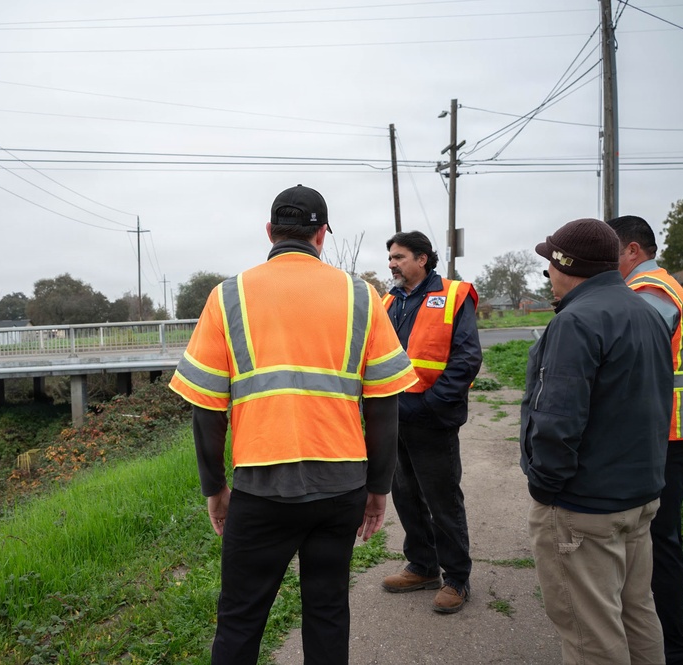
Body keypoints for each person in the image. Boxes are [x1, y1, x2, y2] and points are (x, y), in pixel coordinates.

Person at [169, 184, 416, 665]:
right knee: (327, 610)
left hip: (261, 490)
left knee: (241, 617)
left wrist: (214, 487)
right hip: (341, 486)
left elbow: (206, 407)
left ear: (270, 232)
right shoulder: (363, 297)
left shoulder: (227, 297)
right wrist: (378, 487)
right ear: (321, 235)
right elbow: (385, 406)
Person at [520, 218, 673, 665]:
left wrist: (547, 487)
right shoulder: (646, 311)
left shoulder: (577, 320)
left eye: (551, 261)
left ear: (567, 265)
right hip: (639, 497)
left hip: (585, 505)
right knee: (636, 612)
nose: (548, 270)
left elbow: (557, 420)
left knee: (591, 634)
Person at [607, 215, 683, 665]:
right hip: (670, 430)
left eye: (609, 249)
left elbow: (625, 352)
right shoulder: (655, 286)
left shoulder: (650, 294)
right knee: (655, 537)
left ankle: (673, 649)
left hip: (667, 434)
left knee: (659, 540)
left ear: (632, 250)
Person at [379, 231, 482, 614]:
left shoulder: (454, 296)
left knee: (442, 500)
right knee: (405, 495)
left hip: (432, 418)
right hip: (394, 418)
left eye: (399, 257)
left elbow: (466, 358)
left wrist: (430, 405)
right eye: (390, 257)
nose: (392, 263)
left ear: (422, 259)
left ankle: (456, 577)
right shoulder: (388, 300)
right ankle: (422, 566)